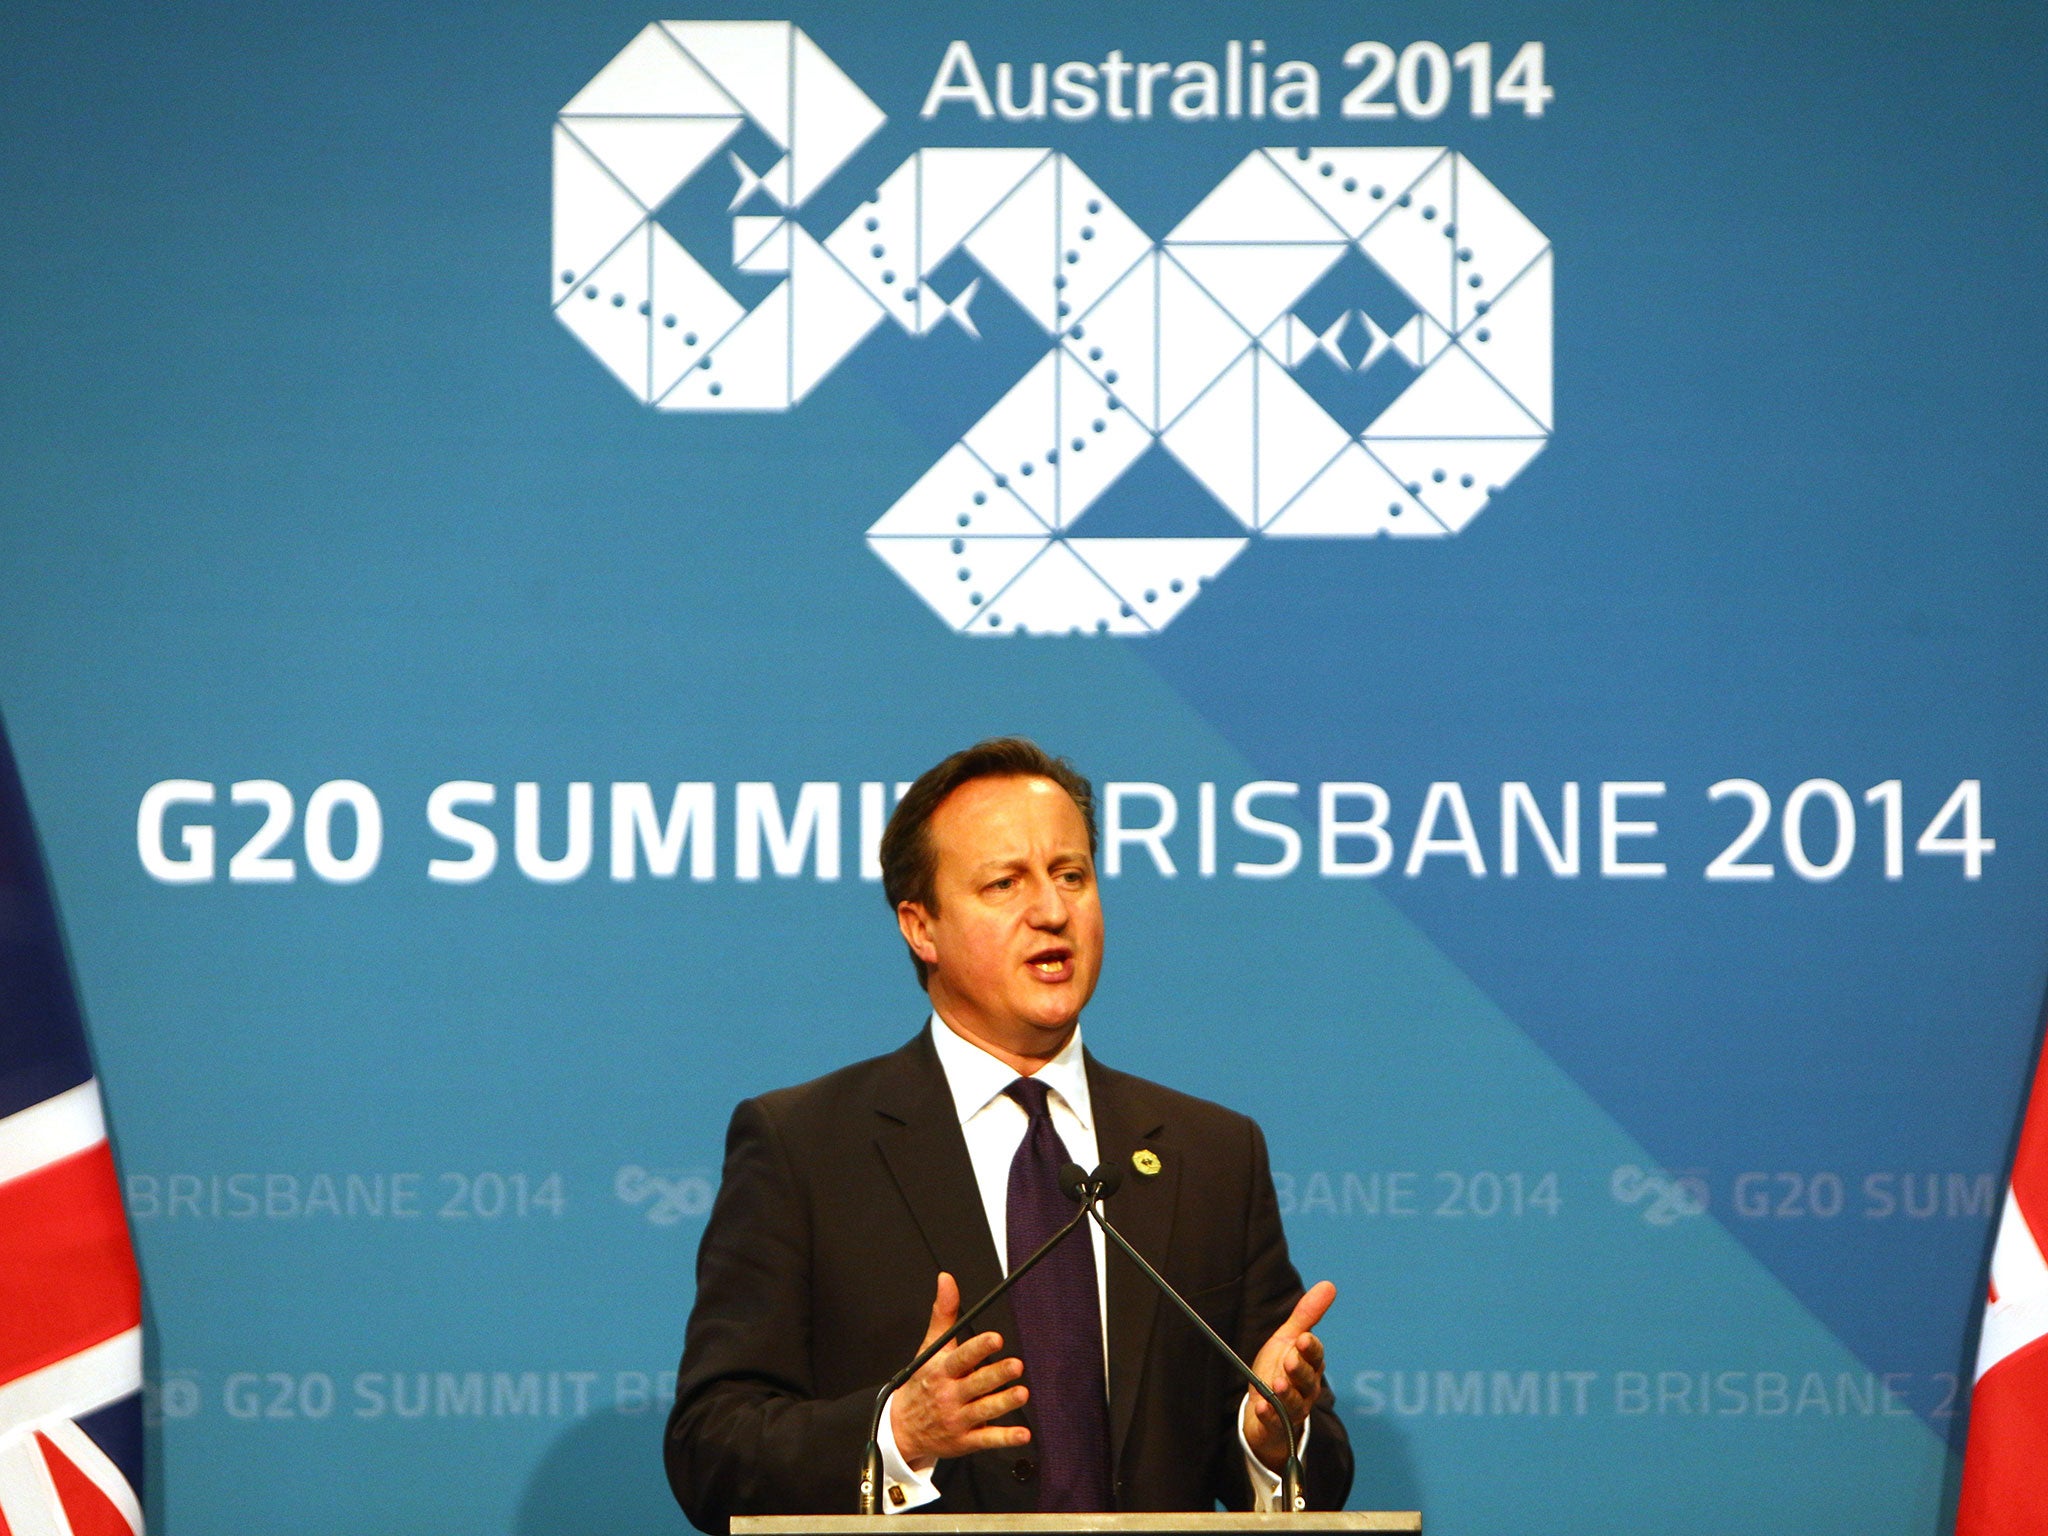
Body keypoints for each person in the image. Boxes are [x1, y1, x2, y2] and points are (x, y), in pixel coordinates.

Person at [665, 738, 1352, 1531]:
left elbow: (1317, 1468)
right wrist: (898, 1433)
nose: (1053, 911)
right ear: (921, 927)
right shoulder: (806, 1147)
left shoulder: (1212, 1154)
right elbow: (710, 1449)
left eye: (1072, 875)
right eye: (1005, 883)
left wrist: (1269, 1434)